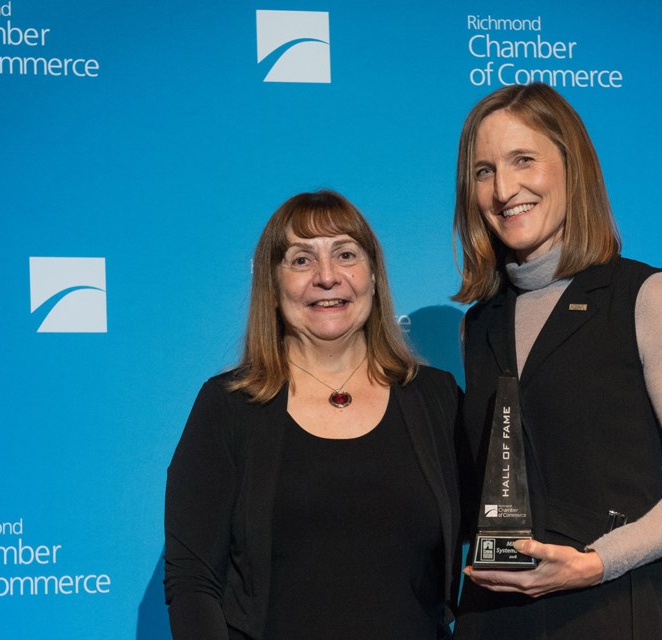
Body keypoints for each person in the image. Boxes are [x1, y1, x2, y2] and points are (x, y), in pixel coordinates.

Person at [452, 83, 662, 639]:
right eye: (484, 171)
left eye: (524, 160)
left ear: (572, 165)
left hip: (613, 610)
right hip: (493, 620)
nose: (504, 188)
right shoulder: (479, 323)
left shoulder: (644, 295)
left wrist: (602, 559)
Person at [164, 190, 463, 639]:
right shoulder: (228, 406)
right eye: (301, 260)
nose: (327, 277)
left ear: (374, 275)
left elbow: (495, 538)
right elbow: (193, 580)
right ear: (273, 281)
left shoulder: (436, 399)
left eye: (346, 254)